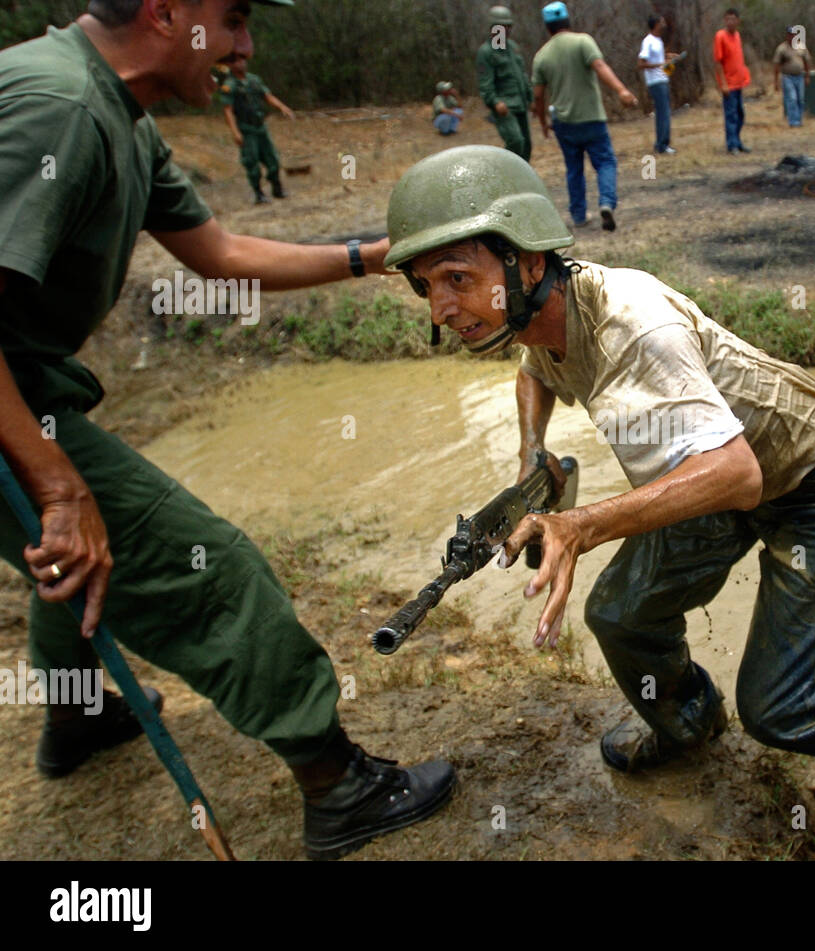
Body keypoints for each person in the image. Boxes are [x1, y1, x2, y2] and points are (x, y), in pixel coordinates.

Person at [383, 146, 815, 823]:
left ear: (529, 261)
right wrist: (532, 453)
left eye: (457, 277)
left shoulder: (634, 324)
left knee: (781, 705)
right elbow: (534, 368)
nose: (440, 307)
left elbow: (738, 473)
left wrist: (580, 524)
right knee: (620, 613)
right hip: (705, 477)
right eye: (425, 285)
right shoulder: (539, 313)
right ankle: (688, 720)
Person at [0, 0, 455, 861]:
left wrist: (380, 252)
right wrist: (58, 485)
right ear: (168, 12)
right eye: (236, 19)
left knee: (82, 552)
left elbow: (220, 251)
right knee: (210, 566)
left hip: (19, 380)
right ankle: (340, 785)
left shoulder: (120, 116)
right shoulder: (59, 106)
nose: (246, 49)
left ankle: (77, 712)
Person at [532, 1, 637, 232]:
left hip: (564, 122)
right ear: (568, 21)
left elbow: (538, 97)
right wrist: (621, 90)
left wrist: (543, 123)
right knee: (605, 162)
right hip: (591, 117)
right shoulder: (583, 41)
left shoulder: (541, 56)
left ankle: (579, 215)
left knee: (574, 168)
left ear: (547, 27)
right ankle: (607, 203)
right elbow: (599, 66)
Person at [218, 53, 293, 204]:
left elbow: (267, 96)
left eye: (242, 60)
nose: (241, 63)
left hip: (260, 126)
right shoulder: (230, 85)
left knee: (272, 159)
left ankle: (277, 188)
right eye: (236, 61)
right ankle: (259, 194)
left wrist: (282, 107)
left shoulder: (254, 80)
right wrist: (235, 132)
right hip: (246, 129)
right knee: (251, 162)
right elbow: (228, 111)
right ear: (230, 65)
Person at [477, 5, 534, 161]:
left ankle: (522, 180)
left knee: (527, 145)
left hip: (520, 103)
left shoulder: (512, 47)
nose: (506, 30)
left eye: (508, 26)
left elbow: (522, 75)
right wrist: (495, 102)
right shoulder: (486, 52)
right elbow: (485, 83)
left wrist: (531, 98)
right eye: (502, 26)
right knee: (516, 141)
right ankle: (502, 172)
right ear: (493, 27)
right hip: (505, 107)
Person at [639, 14, 681, 155]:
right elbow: (642, 63)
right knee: (664, 113)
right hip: (655, 82)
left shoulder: (658, 41)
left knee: (664, 113)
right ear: (656, 24)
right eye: (661, 21)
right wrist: (660, 64)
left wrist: (669, 57)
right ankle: (663, 145)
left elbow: (658, 59)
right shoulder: (648, 41)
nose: (664, 23)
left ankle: (661, 144)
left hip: (663, 79)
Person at [714, 8, 751, 154]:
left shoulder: (737, 35)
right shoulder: (720, 36)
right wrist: (723, 84)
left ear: (737, 21)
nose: (730, 22)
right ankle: (732, 145)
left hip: (739, 81)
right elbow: (718, 62)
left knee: (740, 114)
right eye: (727, 19)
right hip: (728, 83)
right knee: (731, 115)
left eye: (733, 19)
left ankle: (738, 141)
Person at [772, 25, 811, 128]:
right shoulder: (782, 49)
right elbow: (776, 64)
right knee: (792, 98)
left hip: (800, 76)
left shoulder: (801, 46)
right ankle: (793, 121)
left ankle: (799, 119)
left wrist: (807, 76)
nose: (792, 36)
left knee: (800, 99)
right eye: (790, 34)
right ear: (787, 35)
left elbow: (807, 62)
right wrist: (776, 81)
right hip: (788, 77)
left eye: (793, 34)